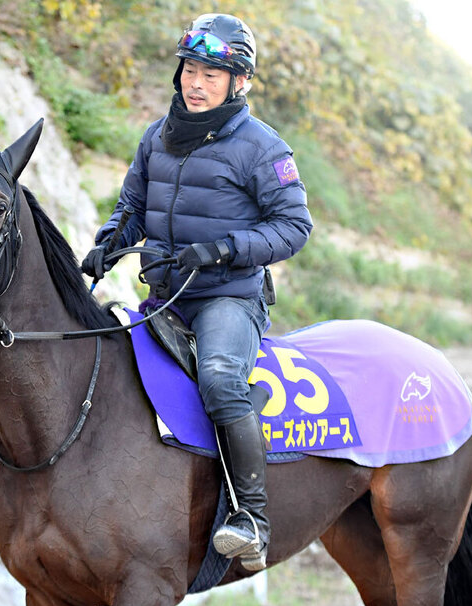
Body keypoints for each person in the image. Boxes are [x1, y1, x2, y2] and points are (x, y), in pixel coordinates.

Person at [81, 13, 311, 571]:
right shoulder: (155, 137)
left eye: (213, 72)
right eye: (190, 68)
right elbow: (132, 207)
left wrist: (225, 248)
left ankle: (251, 518)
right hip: (166, 294)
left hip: (227, 297)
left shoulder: (263, 148)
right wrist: (111, 241)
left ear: (240, 82)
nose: (196, 81)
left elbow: (294, 227)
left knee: (218, 379)